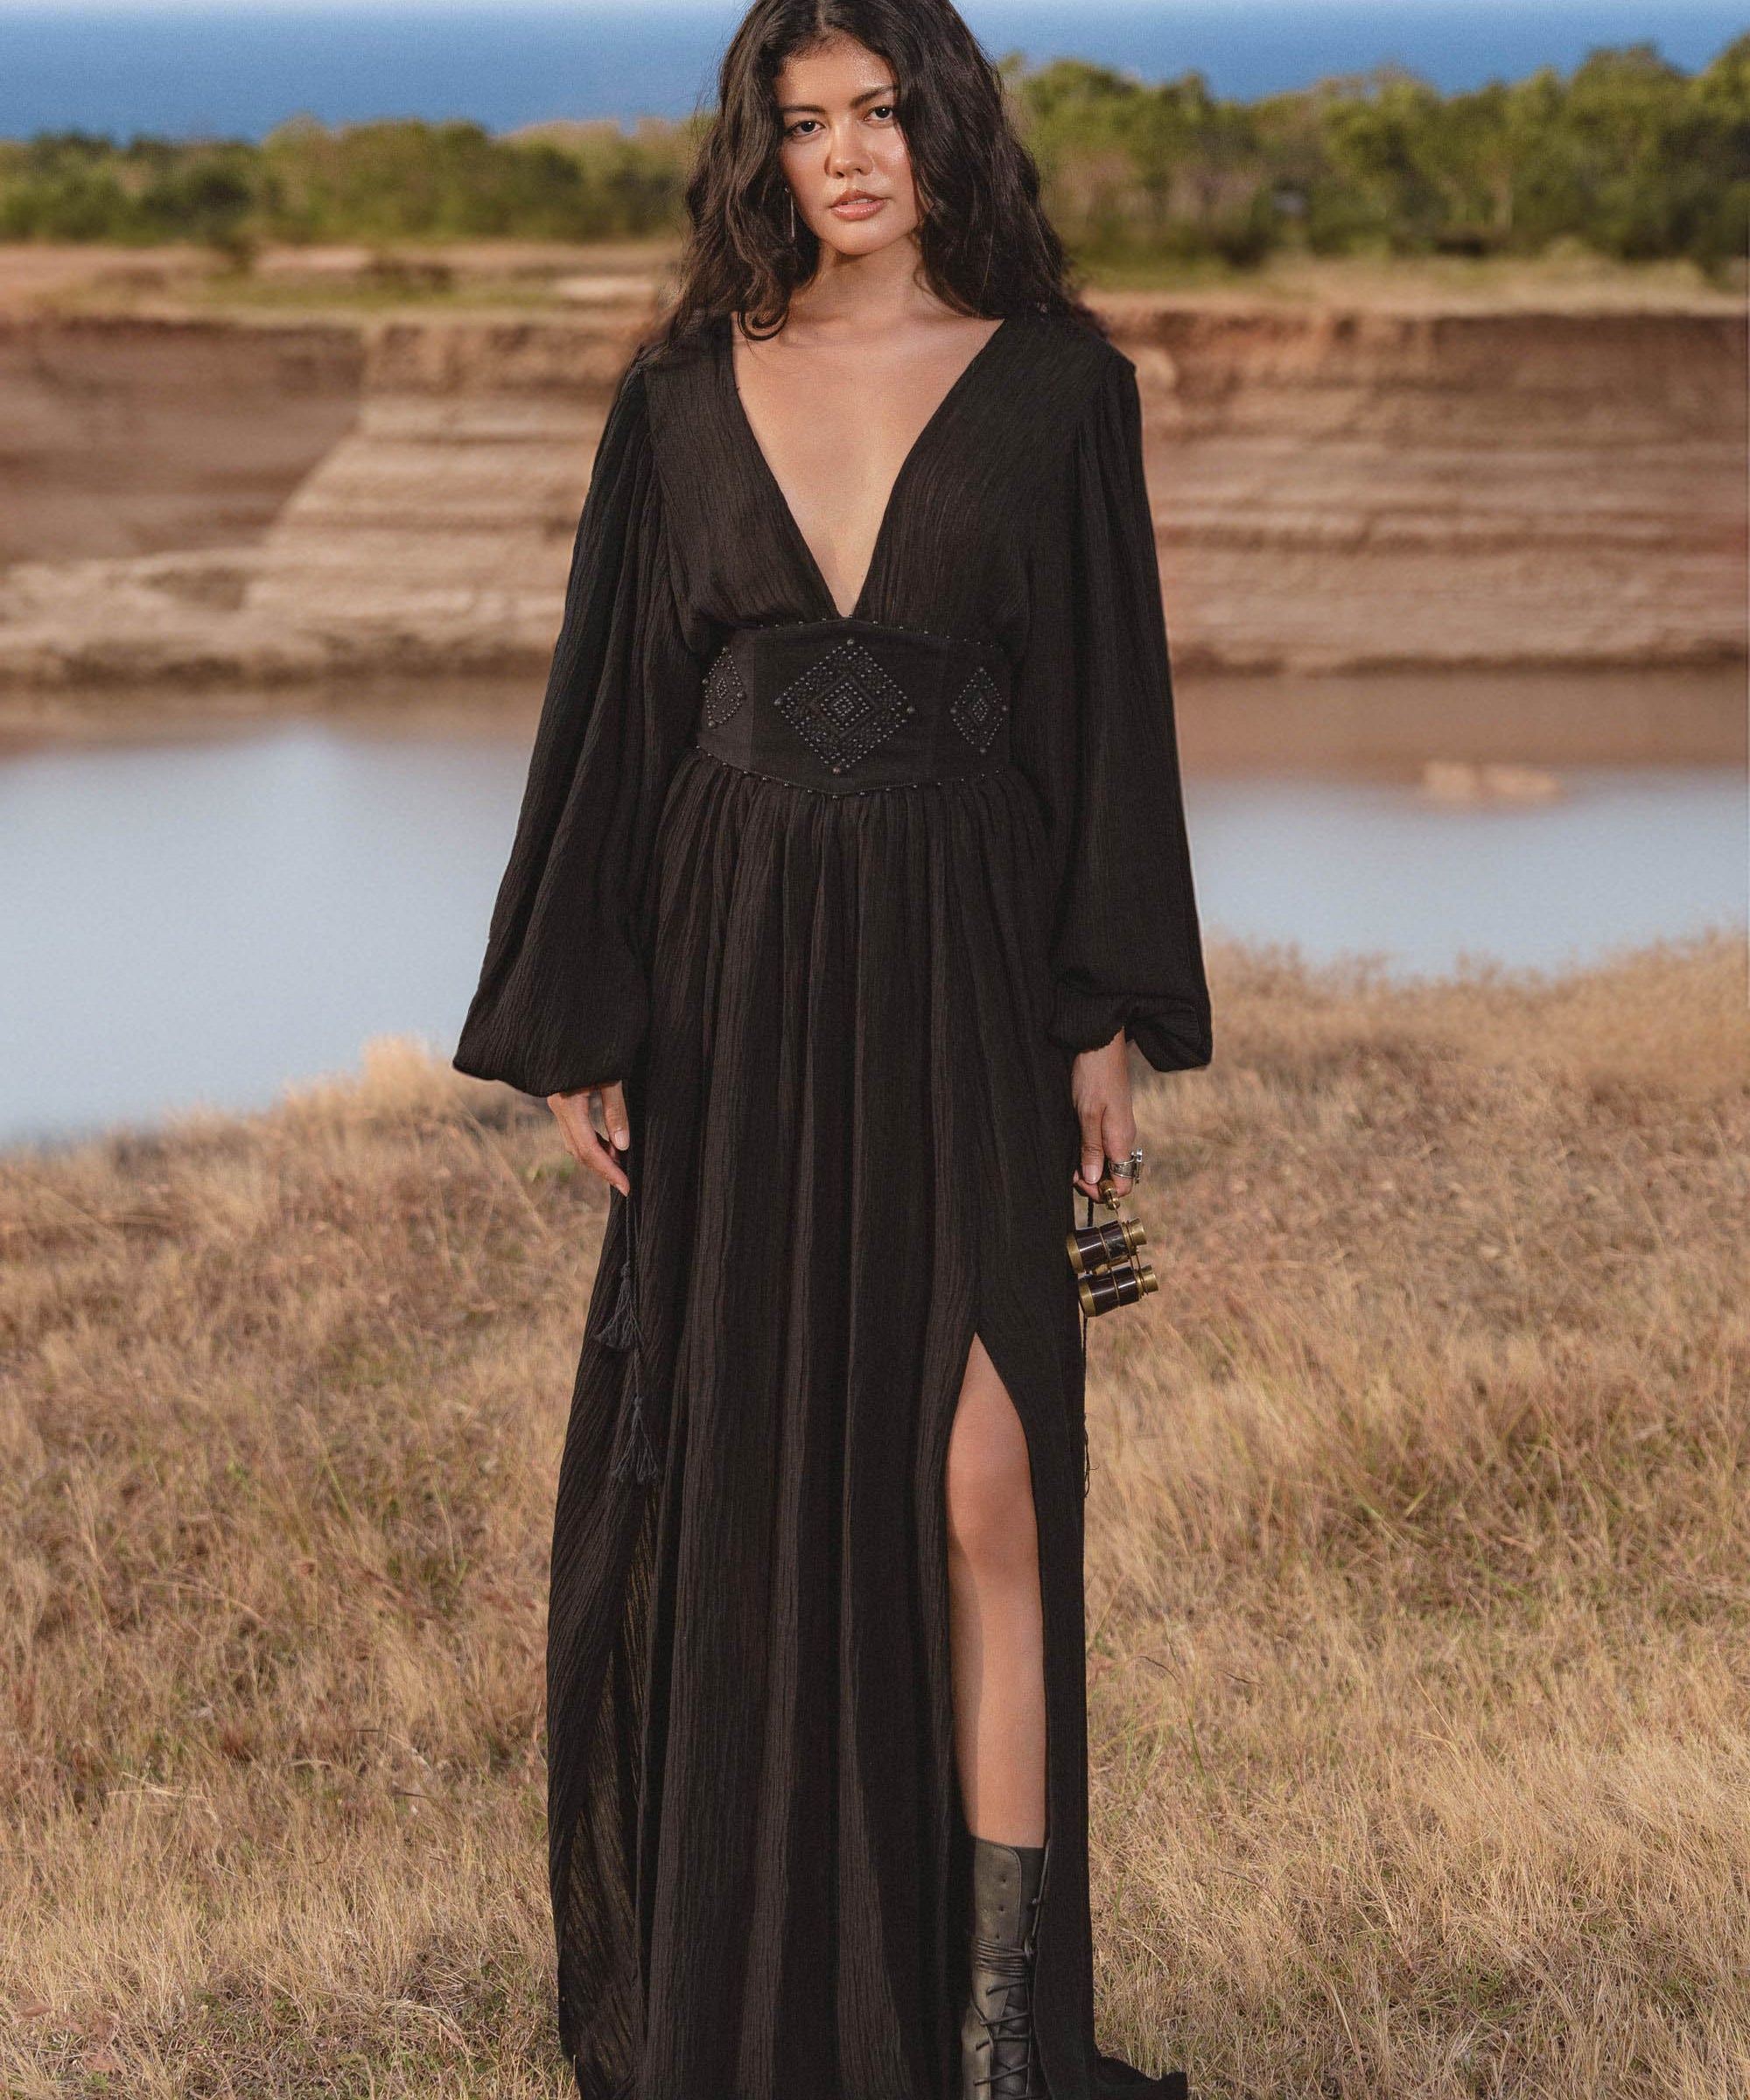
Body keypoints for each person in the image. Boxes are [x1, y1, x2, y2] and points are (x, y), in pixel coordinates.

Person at [452, 2, 1212, 2094]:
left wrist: (1099, 1026)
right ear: (761, 157)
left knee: (987, 1476)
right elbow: (607, 714)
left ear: (945, 125)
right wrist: (586, 1016)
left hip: (963, 971)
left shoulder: (1061, 394)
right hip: (730, 975)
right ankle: (768, 1998)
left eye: (883, 111)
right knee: (748, 1481)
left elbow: (1102, 729)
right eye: (807, 123)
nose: (851, 155)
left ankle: (988, 2045)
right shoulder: (682, 402)